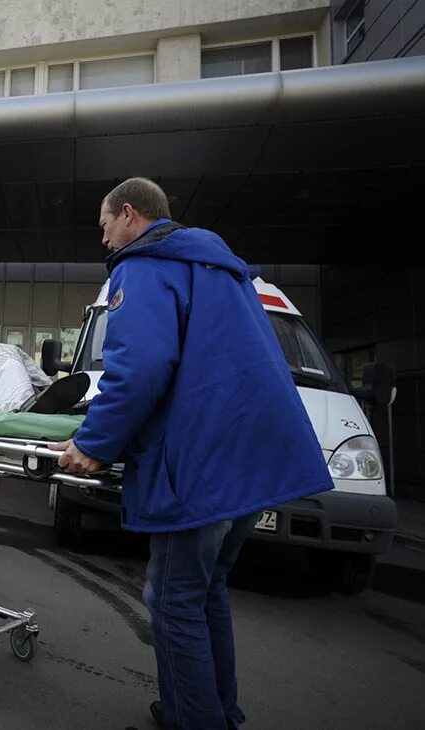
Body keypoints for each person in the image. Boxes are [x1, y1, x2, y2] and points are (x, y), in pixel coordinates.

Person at [48, 178, 333, 729]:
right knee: (204, 590)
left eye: (105, 228)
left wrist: (93, 443)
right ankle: (214, 711)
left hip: (206, 457)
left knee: (174, 599)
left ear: (129, 215)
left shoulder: (144, 264)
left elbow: (141, 370)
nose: (104, 241)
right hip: (256, 456)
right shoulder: (222, 269)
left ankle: (193, 720)